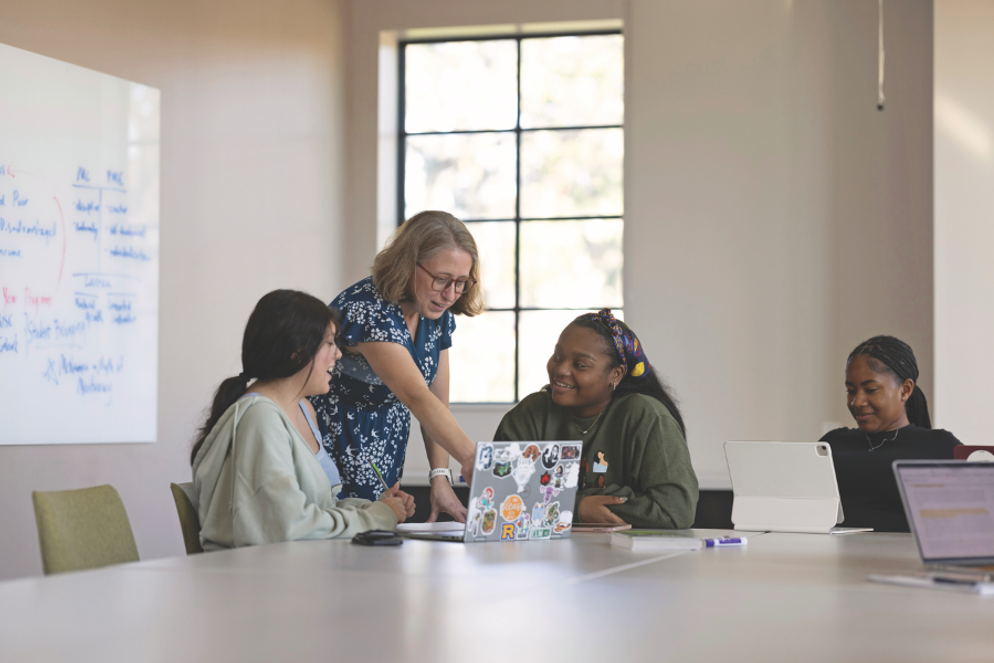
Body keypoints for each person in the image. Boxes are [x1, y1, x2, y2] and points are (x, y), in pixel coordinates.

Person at [191, 290, 415, 550]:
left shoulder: (304, 411)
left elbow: (315, 509)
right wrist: (377, 516)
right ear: (296, 353)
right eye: (329, 343)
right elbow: (286, 526)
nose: (338, 354)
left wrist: (376, 507)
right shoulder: (260, 417)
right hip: (258, 583)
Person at [310, 211, 483, 521]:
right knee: (344, 538)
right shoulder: (369, 309)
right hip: (339, 439)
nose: (450, 294)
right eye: (441, 279)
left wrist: (440, 476)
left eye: (461, 283)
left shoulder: (436, 313)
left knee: (379, 541)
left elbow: (437, 402)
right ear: (408, 264)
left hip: (386, 445)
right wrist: (473, 458)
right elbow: (416, 395)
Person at [494, 309, 699, 529]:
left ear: (616, 374)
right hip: (544, 556)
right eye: (557, 357)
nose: (560, 370)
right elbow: (495, 497)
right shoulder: (531, 413)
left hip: (629, 556)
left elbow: (675, 510)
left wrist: (551, 502)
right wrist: (576, 506)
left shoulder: (646, 417)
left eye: (580, 364)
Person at [820, 335, 961, 532]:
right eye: (850, 391)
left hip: (903, 561)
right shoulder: (830, 446)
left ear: (905, 389)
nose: (856, 402)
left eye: (871, 389)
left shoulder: (941, 447)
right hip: (829, 560)